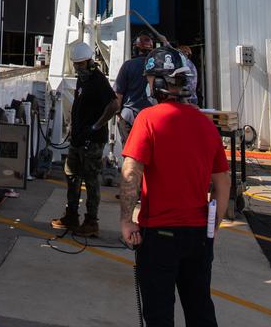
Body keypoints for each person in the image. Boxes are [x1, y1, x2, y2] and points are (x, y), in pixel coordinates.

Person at [120, 46, 230, 326]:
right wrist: (213, 226)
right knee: (200, 309)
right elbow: (222, 182)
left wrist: (126, 220)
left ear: (159, 83)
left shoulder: (148, 119)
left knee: (158, 314)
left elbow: (131, 171)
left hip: (160, 235)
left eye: (149, 79)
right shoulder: (207, 127)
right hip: (198, 237)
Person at [52, 41, 116, 237]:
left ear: (89, 62)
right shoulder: (83, 79)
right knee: (72, 176)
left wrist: (96, 126)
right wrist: (73, 126)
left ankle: (91, 222)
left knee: (90, 180)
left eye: (81, 64)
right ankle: (71, 216)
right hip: (78, 139)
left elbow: (114, 105)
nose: (78, 68)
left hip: (92, 141)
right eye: (76, 64)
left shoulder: (98, 80)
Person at [114, 32, 156, 144]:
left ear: (136, 49)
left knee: (130, 155)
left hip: (129, 117)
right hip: (150, 119)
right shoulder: (157, 67)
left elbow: (118, 94)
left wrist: (118, 113)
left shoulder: (128, 65)